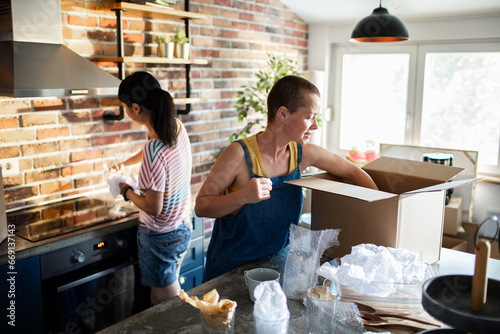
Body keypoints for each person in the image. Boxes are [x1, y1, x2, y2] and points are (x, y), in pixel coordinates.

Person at [195, 75, 378, 282]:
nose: (315, 126)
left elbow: (353, 172)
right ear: (283, 113)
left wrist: (384, 210)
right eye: (309, 117)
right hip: (229, 274)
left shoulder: (303, 154)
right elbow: (201, 206)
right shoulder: (238, 155)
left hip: (275, 269)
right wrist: (242, 196)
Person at [117, 71, 192, 305]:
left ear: (136, 108)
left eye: (126, 108)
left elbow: (153, 207)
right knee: (158, 301)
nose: (127, 113)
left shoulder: (153, 149)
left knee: (168, 306)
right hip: (181, 225)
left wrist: (126, 190)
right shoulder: (176, 127)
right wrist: (126, 162)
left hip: (160, 237)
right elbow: (154, 152)